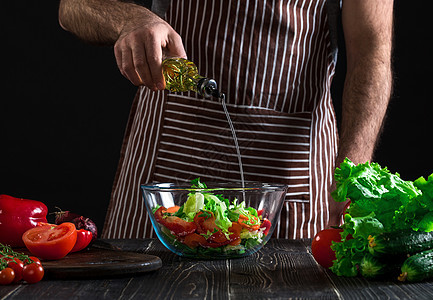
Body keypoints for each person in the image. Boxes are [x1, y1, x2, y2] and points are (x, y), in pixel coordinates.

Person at [59, 0, 393, 239]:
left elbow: (372, 55)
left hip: (290, 175)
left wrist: (352, 175)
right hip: (168, 158)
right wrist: (129, 19)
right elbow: (72, 7)